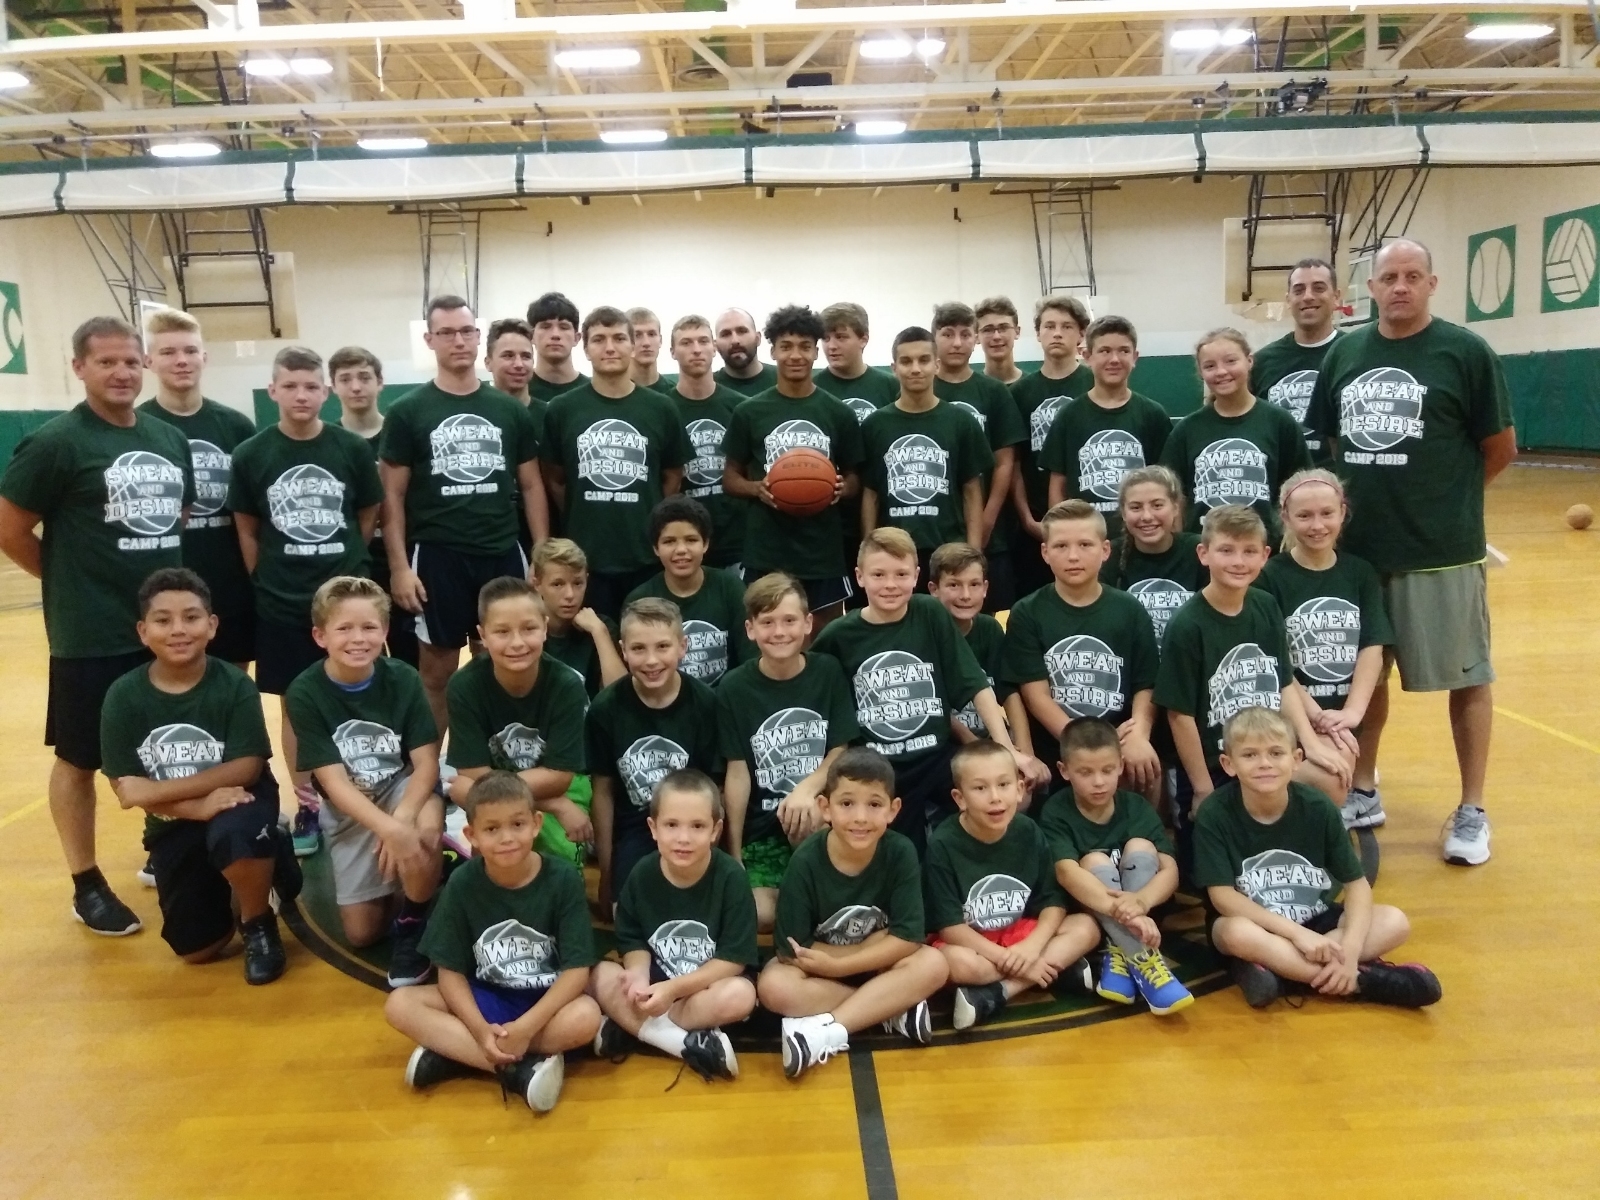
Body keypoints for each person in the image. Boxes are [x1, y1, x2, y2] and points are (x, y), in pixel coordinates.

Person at [1306, 237, 1517, 867]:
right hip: (1360, 555)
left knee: (1467, 679)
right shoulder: (1346, 352)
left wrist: (1448, 503)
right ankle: (1363, 788)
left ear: (1431, 283)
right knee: (1364, 681)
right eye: (1389, 277)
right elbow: (1333, 443)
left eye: (1412, 276)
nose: (1400, 286)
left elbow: (1500, 447)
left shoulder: (1466, 352)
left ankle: (1472, 808)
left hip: (1441, 554)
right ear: (1370, 288)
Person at [0, 316, 193, 934]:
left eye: (131, 361)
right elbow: (9, 527)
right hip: (91, 635)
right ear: (79, 368)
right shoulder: (56, 443)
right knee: (80, 757)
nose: (121, 372)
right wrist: (65, 581)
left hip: (163, 634)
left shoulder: (169, 439)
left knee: (169, 745)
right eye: (106, 362)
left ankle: (166, 850)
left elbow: (176, 517)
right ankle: (86, 884)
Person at [100, 568, 298, 983]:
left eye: (191, 617)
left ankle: (258, 921)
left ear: (212, 626)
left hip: (238, 800)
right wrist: (196, 807)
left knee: (236, 835)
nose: (178, 629)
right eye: (163, 620)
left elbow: (246, 767)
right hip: (175, 820)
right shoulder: (123, 695)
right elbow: (125, 788)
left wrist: (158, 791)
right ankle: (262, 861)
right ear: (143, 631)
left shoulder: (233, 684)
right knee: (197, 950)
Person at [230, 345, 384, 857]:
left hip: (347, 602)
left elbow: (367, 514)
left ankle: (366, 792)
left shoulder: (351, 449)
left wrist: (348, 570)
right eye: (290, 386)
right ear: (272, 390)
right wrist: (266, 579)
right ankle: (308, 805)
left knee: (358, 698)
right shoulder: (252, 454)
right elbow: (248, 528)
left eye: (311, 386)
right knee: (295, 707)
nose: (301, 395)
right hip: (282, 603)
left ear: (326, 391)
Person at [812, 526, 1048, 858]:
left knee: (996, 794)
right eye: (879, 575)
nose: (890, 584)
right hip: (881, 766)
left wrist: (1007, 750)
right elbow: (816, 697)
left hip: (938, 756)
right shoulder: (838, 635)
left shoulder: (929, 613)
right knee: (904, 853)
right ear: (859, 577)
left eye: (901, 574)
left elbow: (975, 684)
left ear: (916, 576)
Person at [1152, 505, 1357, 875]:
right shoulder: (1188, 625)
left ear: (1265, 555)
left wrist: (1310, 744)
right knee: (1209, 876)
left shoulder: (1264, 605)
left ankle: (1296, 845)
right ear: (1204, 553)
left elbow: (1283, 683)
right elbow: (1179, 716)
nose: (1238, 561)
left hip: (1264, 753)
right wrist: (1202, 789)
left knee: (1332, 769)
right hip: (1215, 765)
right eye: (1226, 550)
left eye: (1249, 551)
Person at [380, 294, 549, 741]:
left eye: (467, 331)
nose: (458, 340)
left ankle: (496, 765)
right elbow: (391, 496)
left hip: (501, 550)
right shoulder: (408, 411)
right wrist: (398, 567)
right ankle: (428, 772)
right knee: (436, 673)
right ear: (429, 340)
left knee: (504, 664)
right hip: (438, 556)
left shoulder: (509, 410)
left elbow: (532, 486)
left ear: (478, 338)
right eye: (447, 332)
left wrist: (541, 552)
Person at [384, 771, 601, 1113]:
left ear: (536, 823)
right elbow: (449, 971)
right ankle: (518, 1071)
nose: (506, 838)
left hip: (544, 1004)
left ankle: (458, 1055)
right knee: (399, 1004)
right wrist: (479, 1029)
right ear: (471, 835)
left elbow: (577, 971)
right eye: (492, 829)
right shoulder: (462, 883)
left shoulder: (562, 879)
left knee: (586, 1016)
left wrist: (526, 1028)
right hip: (487, 998)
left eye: (517, 824)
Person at [1198, 707, 1442, 1009]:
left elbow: (1356, 885)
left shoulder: (1317, 807)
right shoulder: (1215, 813)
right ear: (1228, 764)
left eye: (1276, 753)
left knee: (1394, 921)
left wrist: (1350, 951)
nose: (1264, 764)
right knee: (1235, 933)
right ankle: (1364, 983)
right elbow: (1222, 898)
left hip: (1317, 920)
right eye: (1250, 755)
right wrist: (1298, 936)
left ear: (1297, 759)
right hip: (1258, 924)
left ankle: (1284, 971)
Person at [283, 576, 441, 987]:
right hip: (351, 805)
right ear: (320, 636)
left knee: (423, 832)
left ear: (385, 631)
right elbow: (334, 785)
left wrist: (402, 821)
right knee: (362, 933)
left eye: (369, 627)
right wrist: (387, 829)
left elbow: (426, 764)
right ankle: (425, 881)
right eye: (344, 628)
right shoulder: (304, 692)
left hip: (403, 788)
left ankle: (414, 923)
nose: (358, 638)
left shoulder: (403, 678)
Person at [757, 748, 950, 1077]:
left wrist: (843, 963)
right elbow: (791, 951)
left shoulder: (900, 851)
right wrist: (854, 955)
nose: (860, 817)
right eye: (847, 804)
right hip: (823, 973)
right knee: (774, 986)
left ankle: (827, 1032)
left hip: (875, 965)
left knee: (934, 964)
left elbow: (908, 938)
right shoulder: (805, 861)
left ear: (893, 810)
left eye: (874, 805)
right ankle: (890, 1009)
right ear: (825, 808)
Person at [590, 769, 757, 1082]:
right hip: (656, 984)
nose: (683, 838)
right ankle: (681, 1042)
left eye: (697, 826)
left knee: (741, 995)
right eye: (671, 825)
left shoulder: (732, 878)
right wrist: (638, 975)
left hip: (704, 990)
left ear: (716, 830)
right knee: (599, 974)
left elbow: (734, 960)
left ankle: (636, 1026)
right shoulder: (640, 874)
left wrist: (672, 990)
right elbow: (632, 939)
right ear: (653, 828)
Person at [719, 572, 860, 932]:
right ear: (750, 629)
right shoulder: (734, 688)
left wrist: (807, 788)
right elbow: (737, 772)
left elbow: (840, 748)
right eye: (767, 622)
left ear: (808, 623)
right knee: (760, 915)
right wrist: (733, 853)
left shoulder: (827, 672)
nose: (779, 632)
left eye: (789, 620)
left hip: (820, 819)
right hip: (763, 831)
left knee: (818, 831)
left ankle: (815, 905)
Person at [926, 740, 1097, 1030]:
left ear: (1019, 789)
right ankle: (1054, 970)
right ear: (960, 798)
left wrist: (1032, 948)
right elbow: (949, 927)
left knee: (1086, 927)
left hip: (1018, 935)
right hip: (972, 943)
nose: (995, 797)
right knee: (950, 962)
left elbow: (1052, 902)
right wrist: (1012, 959)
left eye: (1003, 785)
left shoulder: (1029, 831)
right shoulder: (943, 843)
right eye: (980, 788)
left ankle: (1000, 992)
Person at [1258, 470, 1394, 831]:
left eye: (1326, 513)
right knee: (1324, 774)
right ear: (1285, 517)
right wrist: (1316, 716)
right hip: (1291, 715)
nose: (1317, 525)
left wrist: (1352, 713)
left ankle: (1320, 819)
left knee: (1335, 770)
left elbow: (1372, 647)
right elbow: (1274, 661)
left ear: (1342, 512)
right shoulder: (1270, 576)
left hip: (1339, 719)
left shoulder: (1360, 573)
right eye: (1304, 515)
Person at [540, 305, 690, 620]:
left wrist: (649, 514)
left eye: (619, 338)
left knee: (646, 639)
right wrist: (581, 514)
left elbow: (672, 475)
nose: (610, 347)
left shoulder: (662, 408)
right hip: (584, 560)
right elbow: (555, 478)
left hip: (644, 556)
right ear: (585, 349)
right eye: (599, 339)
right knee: (592, 640)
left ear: (632, 345)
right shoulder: (562, 409)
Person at [1002, 500, 1161, 796]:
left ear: (1105, 550)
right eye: (1061, 546)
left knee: (1146, 764)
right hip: (1058, 746)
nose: (1073, 556)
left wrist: (1139, 734)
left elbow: (1146, 684)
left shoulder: (1129, 609)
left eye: (1085, 545)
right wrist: (1084, 746)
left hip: (1119, 739)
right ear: (1045, 552)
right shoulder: (1027, 612)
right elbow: (1036, 696)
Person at [723, 305, 864, 626]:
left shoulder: (839, 413)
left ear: (816, 351)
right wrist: (756, 488)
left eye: (804, 346)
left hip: (822, 550)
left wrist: (842, 488)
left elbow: (856, 478)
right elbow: (730, 478)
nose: (795, 355)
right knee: (769, 634)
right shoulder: (749, 412)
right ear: (772, 351)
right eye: (786, 346)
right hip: (767, 548)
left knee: (823, 638)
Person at [1040, 718, 1191, 1014]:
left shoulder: (1136, 807)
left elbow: (1170, 870)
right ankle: (1146, 961)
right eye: (1086, 772)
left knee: (1142, 847)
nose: (1098, 781)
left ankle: (1119, 951)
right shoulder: (1056, 811)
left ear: (1121, 766)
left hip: (1141, 908)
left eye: (1107, 770)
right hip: (1098, 912)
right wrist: (1125, 913)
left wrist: (1141, 901)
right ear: (1064, 770)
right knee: (1093, 860)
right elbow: (1066, 873)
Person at [587, 597, 722, 915]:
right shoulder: (605, 710)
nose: (651, 660)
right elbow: (603, 792)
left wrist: (714, 851)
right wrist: (607, 871)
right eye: (638, 649)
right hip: (636, 827)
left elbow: (717, 789)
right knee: (624, 914)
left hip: (692, 826)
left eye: (662, 647)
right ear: (623, 650)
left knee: (697, 912)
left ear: (682, 646)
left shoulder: (706, 705)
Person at [138, 308, 256, 669]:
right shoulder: (138, 427)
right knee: (170, 683)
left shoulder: (236, 427)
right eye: (168, 352)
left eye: (190, 351)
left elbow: (254, 512)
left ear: (204, 357)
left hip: (230, 582)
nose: (181, 360)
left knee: (232, 681)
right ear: (149, 361)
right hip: (163, 583)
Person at [446, 576, 591, 868]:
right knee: (494, 866)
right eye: (502, 631)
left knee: (557, 876)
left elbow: (558, 777)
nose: (517, 643)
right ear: (482, 635)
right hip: (531, 797)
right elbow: (472, 772)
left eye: (529, 629)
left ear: (545, 628)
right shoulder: (464, 686)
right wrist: (555, 806)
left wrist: (556, 799)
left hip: (555, 789)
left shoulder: (567, 684)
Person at [859, 326, 991, 577]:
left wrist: (974, 552)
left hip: (949, 549)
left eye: (924, 360)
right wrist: (869, 552)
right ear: (894, 368)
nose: (916, 368)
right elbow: (870, 494)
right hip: (892, 552)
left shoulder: (961, 421)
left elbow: (972, 491)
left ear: (937, 365)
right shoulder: (875, 425)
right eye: (906, 361)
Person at [1161, 328, 1311, 536]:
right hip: (1204, 546)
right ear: (1201, 372)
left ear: (1249, 361)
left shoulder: (1279, 422)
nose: (1221, 371)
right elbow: (1172, 497)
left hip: (1263, 546)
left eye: (1231, 361)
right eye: (1210, 366)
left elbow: (1300, 491)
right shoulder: (1186, 430)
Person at [931, 301, 1027, 611]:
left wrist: (986, 519)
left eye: (965, 334)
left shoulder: (994, 392)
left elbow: (1005, 461)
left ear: (975, 339)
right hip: (935, 526)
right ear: (934, 338)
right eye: (948, 334)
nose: (957, 343)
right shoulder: (920, 389)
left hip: (990, 534)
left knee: (990, 616)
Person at [1042, 315, 1172, 540]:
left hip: (1141, 538)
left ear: (1135, 357)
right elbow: (1057, 486)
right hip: (1085, 539)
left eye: (1123, 351)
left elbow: (1168, 485)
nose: (1114, 359)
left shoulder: (1153, 415)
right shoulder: (1069, 416)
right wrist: (1060, 534)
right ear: (1087, 357)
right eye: (1104, 351)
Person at [329, 344, 418, 669]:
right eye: (345, 379)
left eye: (364, 377)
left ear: (380, 382)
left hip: (404, 558)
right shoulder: (328, 441)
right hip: (353, 560)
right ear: (332, 386)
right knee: (361, 656)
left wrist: (403, 566)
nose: (356, 386)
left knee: (411, 658)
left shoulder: (403, 434)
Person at [1010, 296, 1095, 599]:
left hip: (1089, 516)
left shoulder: (1094, 382)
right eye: (1049, 326)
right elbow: (1014, 462)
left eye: (1066, 326)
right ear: (1038, 333)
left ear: (1081, 334)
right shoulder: (1020, 392)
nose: (1057, 333)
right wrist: (1027, 519)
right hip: (1036, 521)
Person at [624, 496, 752, 685]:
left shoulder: (730, 588)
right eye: (669, 541)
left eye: (691, 540)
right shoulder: (641, 599)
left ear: (705, 544)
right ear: (656, 548)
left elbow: (750, 659)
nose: (681, 550)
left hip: (724, 697)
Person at [927, 542, 1030, 756]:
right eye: (954, 585)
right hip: (946, 744)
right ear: (934, 589)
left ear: (985, 588)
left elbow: (1008, 692)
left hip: (990, 735)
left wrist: (1026, 753)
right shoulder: (926, 632)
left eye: (974, 584)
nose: (965, 595)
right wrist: (978, 745)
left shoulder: (989, 629)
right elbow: (933, 704)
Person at [667, 314, 747, 570]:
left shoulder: (741, 407)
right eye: (686, 343)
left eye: (703, 341)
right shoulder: (661, 409)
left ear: (714, 347)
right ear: (672, 352)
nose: (696, 349)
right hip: (683, 543)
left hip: (737, 541)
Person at [1098, 465, 1205, 647]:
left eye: (1157, 505)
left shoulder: (1199, 551)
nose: (1147, 516)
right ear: (1123, 513)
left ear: (1176, 508)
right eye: (1136, 507)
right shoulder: (1108, 557)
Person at [1251, 257, 1344, 465]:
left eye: (1319, 288)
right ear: (1288, 300)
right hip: (1280, 480)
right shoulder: (1263, 361)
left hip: (1336, 482)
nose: (1308, 297)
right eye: (1299, 290)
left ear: (1336, 297)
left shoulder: (1353, 354)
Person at [530, 537, 626, 699]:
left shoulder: (601, 626)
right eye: (558, 584)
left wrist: (599, 632)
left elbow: (620, 697)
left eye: (578, 583)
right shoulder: (526, 630)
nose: (570, 595)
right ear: (537, 584)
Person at [817, 302, 900, 423]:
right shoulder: (813, 387)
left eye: (840, 337)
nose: (831, 346)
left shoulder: (891, 386)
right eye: (825, 338)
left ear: (863, 340)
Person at [526, 291, 587, 403]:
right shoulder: (519, 390)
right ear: (531, 336)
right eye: (545, 327)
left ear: (576, 338)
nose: (555, 335)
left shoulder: (593, 392)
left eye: (564, 327)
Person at [713, 307, 778, 397]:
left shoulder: (785, 380)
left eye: (742, 331)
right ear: (715, 345)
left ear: (757, 338)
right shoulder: (707, 388)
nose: (735, 341)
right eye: (725, 334)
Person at [485, 318, 537, 408]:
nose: (519, 364)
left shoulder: (548, 414)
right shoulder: (477, 412)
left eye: (526, 356)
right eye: (508, 356)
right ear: (488, 363)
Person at [975, 296, 1025, 385]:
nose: (996, 336)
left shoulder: (1034, 386)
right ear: (976, 336)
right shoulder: (971, 388)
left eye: (1004, 328)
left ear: (1017, 332)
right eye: (988, 330)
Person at [627, 306, 670, 391]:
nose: (646, 343)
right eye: (637, 335)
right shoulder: (613, 394)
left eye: (651, 334)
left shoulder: (673, 394)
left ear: (660, 340)